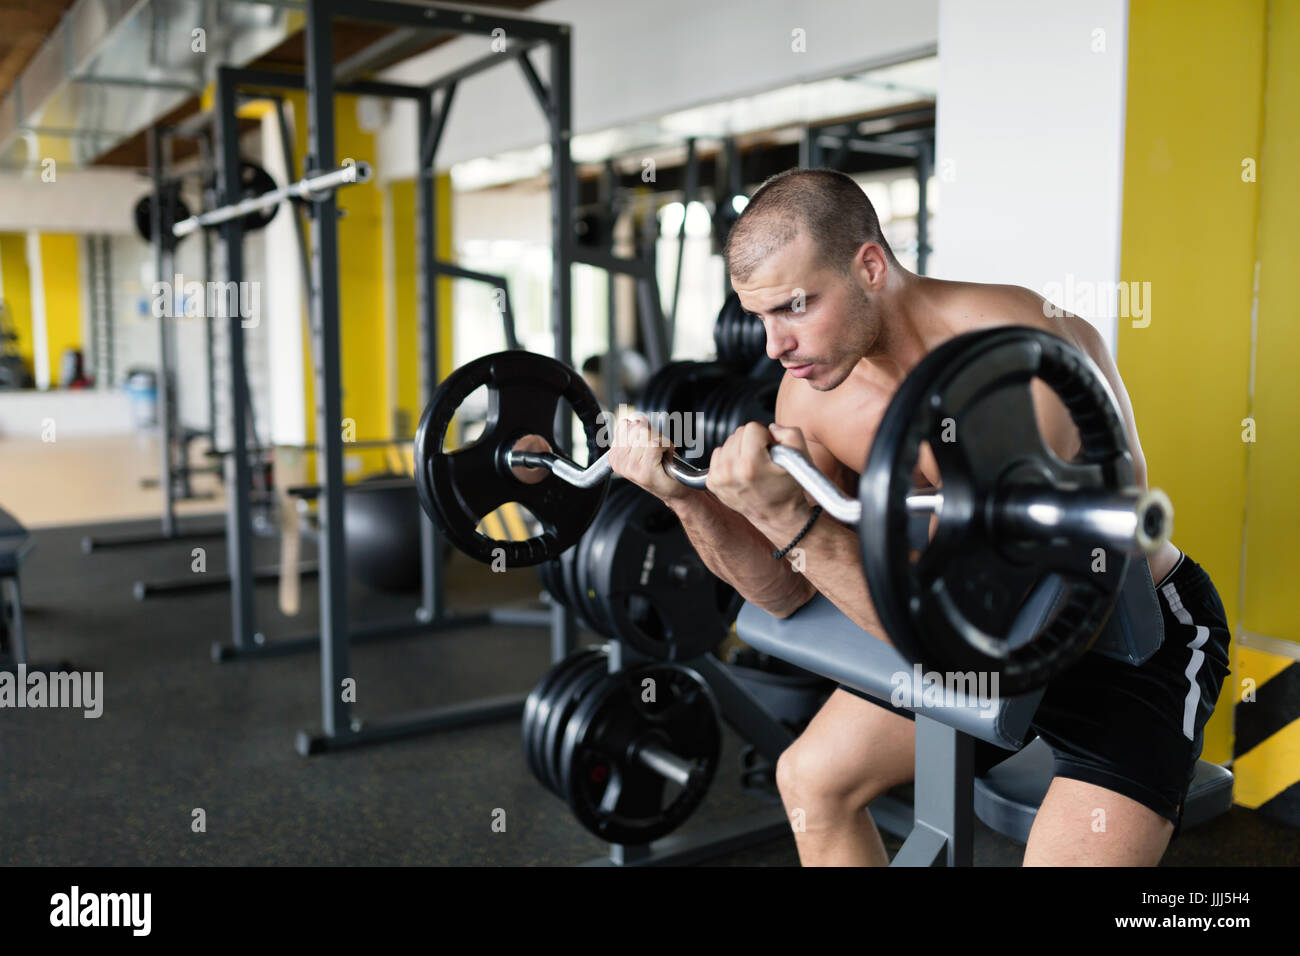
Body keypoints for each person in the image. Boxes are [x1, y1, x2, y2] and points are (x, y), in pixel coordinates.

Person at [600, 168, 1231, 866]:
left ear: (870, 265)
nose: (775, 345)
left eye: (795, 307)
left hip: (1128, 646)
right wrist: (686, 498)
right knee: (810, 780)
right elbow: (784, 595)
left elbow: (972, 635)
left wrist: (798, 524)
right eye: (760, 317)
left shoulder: (1016, 356)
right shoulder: (809, 397)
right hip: (977, 646)